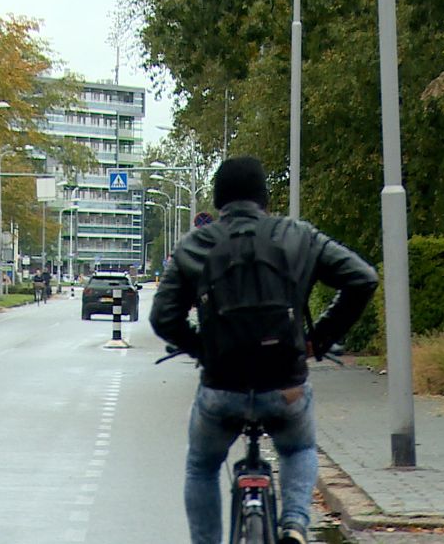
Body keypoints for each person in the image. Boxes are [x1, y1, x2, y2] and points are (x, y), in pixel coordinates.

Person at [150, 156, 378, 544]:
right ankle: (293, 525)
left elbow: (162, 317)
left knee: (202, 466)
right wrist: (317, 340)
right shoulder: (298, 235)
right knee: (299, 448)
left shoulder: (197, 244)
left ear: (219, 201)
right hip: (285, 386)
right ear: (264, 198)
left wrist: (202, 348)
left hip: (221, 389)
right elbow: (362, 278)